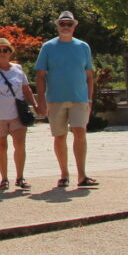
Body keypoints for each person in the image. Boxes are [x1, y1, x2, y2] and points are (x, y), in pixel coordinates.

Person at [34, 10, 97, 188]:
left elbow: (89, 75)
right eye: (62, 24)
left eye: (69, 24)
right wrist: (41, 101)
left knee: (80, 132)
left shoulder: (83, 47)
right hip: (56, 99)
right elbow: (40, 75)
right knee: (59, 136)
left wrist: (90, 99)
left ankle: (82, 175)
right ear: (57, 26)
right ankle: (64, 174)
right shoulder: (48, 47)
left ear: (74, 26)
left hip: (79, 99)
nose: (66, 27)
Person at [0, 38, 39, 191]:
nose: (2, 53)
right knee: (1, 147)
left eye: (5, 50)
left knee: (19, 145)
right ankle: (4, 179)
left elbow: (26, 89)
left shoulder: (18, 69)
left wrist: (35, 104)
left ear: (10, 52)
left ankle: (20, 177)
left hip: (16, 114)